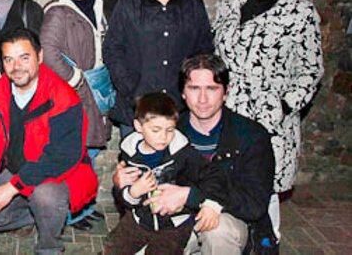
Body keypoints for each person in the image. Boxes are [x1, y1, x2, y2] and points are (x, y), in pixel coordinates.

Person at [212, 0, 324, 243]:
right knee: (226, 184)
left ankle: (266, 243)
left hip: (270, 122)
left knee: (264, 190)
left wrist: (285, 105)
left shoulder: (300, 12)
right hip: (229, 116)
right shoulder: (229, 7)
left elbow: (311, 70)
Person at [113, 53, 275, 255]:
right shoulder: (166, 130)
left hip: (227, 218)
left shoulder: (251, 135)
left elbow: (254, 204)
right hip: (172, 224)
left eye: (212, 89)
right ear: (183, 92)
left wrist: (191, 196)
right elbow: (130, 195)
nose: (203, 99)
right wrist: (121, 183)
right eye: (194, 88)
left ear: (226, 92)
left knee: (216, 230)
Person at [0, 28, 98, 254]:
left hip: (57, 173)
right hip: (14, 169)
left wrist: (11, 188)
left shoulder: (63, 96)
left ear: (40, 56)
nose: (16, 67)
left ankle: (49, 245)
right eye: (9, 59)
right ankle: (35, 216)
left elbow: (62, 156)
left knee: (46, 197)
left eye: (24, 57)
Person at [103, 0, 213, 135]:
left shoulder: (192, 6)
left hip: (181, 110)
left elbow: (204, 52)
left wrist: (191, 89)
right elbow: (112, 49)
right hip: (137, 109)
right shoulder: (128, 6)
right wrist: (131, 88)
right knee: (136, 165)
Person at [104, 92, 224, 255]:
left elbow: (212, 174)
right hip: (139, 219)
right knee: (113, 248)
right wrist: (133, 192)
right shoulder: (129, 152)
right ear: (139, 127)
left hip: (174, 224)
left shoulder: (183, 153)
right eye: (156, 130)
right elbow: (124, 197)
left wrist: (211, 203)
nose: (163, 137)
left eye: (170, 130)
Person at [40, 0, 110, 230]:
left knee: (88, 153)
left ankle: (82, 206)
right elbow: (47, 51)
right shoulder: (58, 11)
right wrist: (75, 78)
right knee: (75, 156)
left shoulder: (98, 8)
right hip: (72, 94)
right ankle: (70, 212)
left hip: (94, 91)